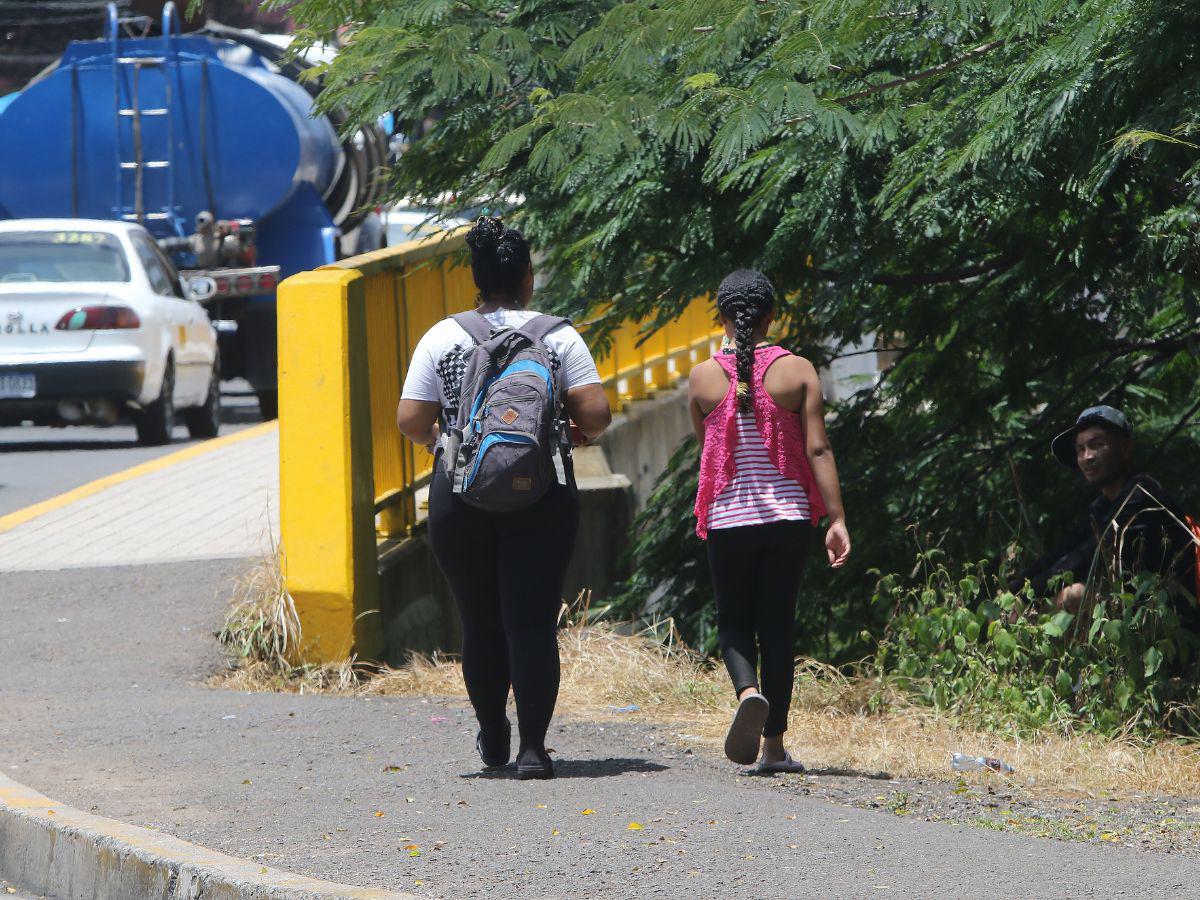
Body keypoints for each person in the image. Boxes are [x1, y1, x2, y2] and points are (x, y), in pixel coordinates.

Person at [396, 216, 611, 779]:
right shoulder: (557, 336)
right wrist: (561, 436)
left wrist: (447, 446)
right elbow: (596, 414)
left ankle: (493, 729)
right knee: (532, 622)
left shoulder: (443, 335)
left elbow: (410, 418)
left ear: (477, 279)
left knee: (479, 621)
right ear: (527, 277)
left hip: (459, 493)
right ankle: (534, 749)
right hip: (543, 493)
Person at [689, 269, 851, 773]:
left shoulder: (701, 377)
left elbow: (710, 453)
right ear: (772, 316)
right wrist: (837, 518)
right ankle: (774, 748)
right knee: (777, 627)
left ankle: (747, 693)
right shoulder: (798, 370)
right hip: (787, 520)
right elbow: (818, 447)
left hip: (729, 518)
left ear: (720, 317)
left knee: (734, 620)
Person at [1009, 405, 1197, 615]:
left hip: (1170, 620)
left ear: (1125, 448)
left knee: (1074, 596)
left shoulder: (1142, 495)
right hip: (1133, 613)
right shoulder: (1102, 506)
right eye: (1081, 449)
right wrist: (1013, 592)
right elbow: (1060, 553)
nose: (1087, 456)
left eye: (1096, 445)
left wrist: (1027, 597)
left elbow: (1093, 555)